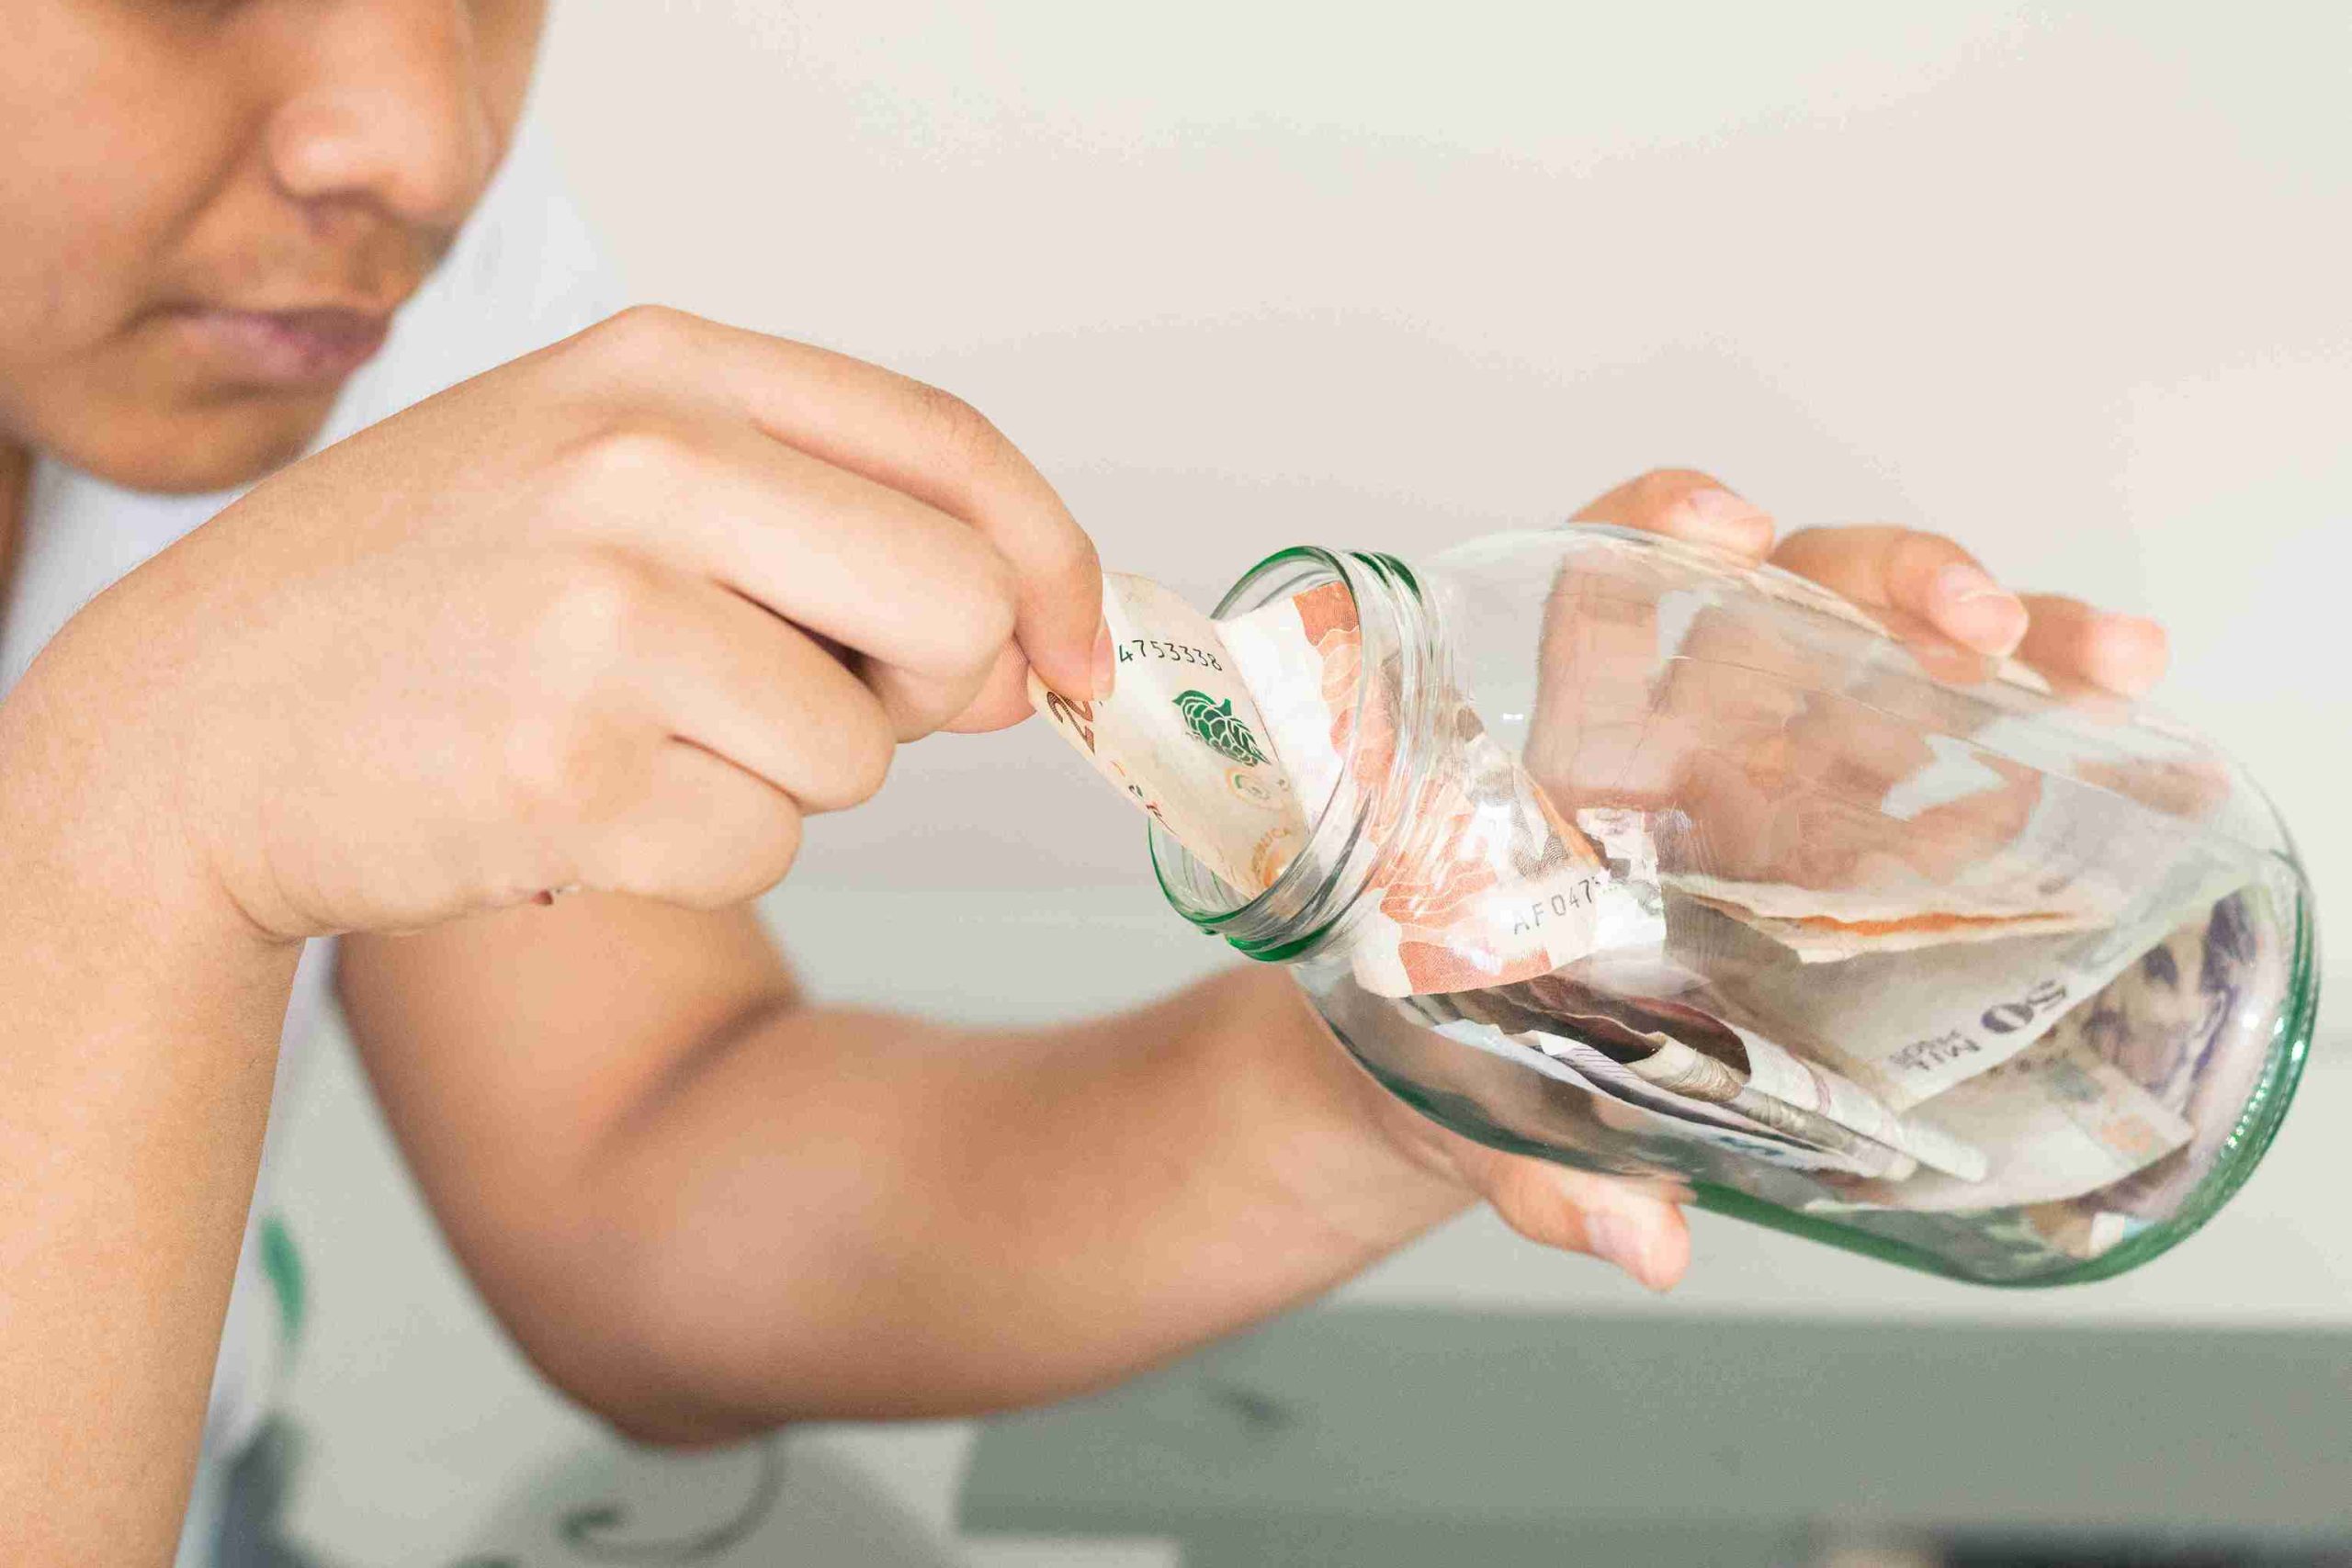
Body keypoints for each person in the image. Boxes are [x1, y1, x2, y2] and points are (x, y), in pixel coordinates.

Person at [0, 5, 2175, 1562]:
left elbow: (643, 1181)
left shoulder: (353, 298)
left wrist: (1401, 1042)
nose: (409, 130)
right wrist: (128, 834)